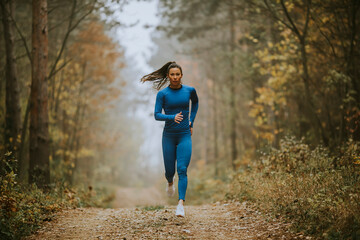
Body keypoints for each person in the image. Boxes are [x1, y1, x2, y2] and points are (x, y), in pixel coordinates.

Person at [141, 61, 199, 217]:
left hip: (184, 135)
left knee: (182, 169)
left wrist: (191, 121)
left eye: (177, 74)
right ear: (168, 76)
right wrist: (172, 117)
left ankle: (181, 204)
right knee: (169, 171)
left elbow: (196, 102)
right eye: (172, 74)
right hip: (168, 136)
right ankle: (169, 182)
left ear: (181, 75)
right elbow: (156, 115)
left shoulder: (189, 90)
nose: (175, 77)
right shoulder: (163, 94)